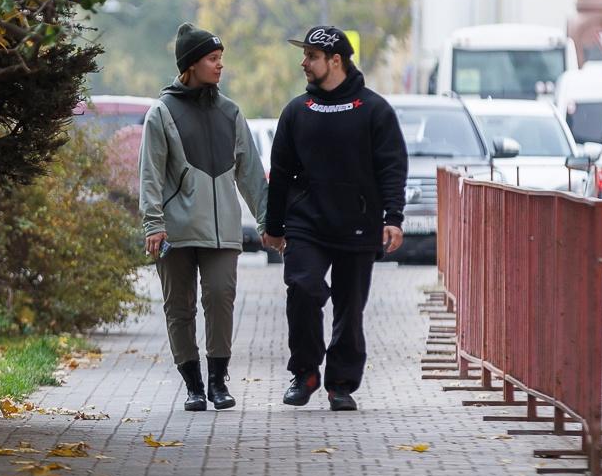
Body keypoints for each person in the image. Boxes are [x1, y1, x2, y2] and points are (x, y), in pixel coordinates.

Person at [261, 26, 407, 412]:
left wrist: (393, 217)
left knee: (349, 307)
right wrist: (273, 227)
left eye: (311, 56)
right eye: (305, 55)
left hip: (358, 223)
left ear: (335, 60)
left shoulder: (374, 110)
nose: (303, 63)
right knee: (304, 288)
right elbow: (280, 172)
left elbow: (392, 167)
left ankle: (341, 383)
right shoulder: (297, 111)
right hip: (307, 224)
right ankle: (305, 371)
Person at [139, 23, 268, 412]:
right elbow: (150, 173)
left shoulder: (231, 112)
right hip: (175, 232)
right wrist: (153, 223)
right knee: (179, 307)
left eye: (220, 58)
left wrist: (267, 222)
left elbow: (250, 172)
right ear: (191, 65)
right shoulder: (161, 113)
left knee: (220, 297)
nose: (220, 66)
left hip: (223, 231)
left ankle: (218, 381)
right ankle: (193, 384)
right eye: (213, 59)